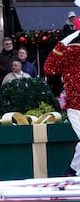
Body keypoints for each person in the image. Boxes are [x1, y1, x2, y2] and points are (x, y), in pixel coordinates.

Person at [44, 21, 80, 176]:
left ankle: (73, 170)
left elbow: (49, 67)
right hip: (76, 106)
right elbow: (49, 68)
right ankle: (72, 170)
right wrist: (64, 42)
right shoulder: (72, 50)